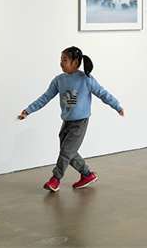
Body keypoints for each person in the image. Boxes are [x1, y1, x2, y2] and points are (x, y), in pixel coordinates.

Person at [17, 46, 124, 191]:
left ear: (75, 63)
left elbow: (103, 93)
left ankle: (56, 179)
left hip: (80, 122)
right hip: (67, 121)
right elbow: (45, 97)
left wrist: (117, 106)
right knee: (68, 152)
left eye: (64, 60)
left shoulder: (86, 79)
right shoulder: (59, 80)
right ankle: (87, 174)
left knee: (66, 151)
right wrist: (28, 110)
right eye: (61, 59)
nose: (61, 63)